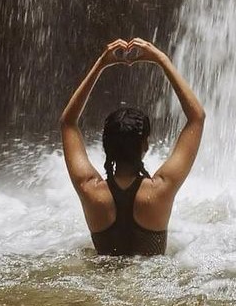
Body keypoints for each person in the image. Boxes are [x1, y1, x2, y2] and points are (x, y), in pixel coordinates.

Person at [60, 36, 205, 257]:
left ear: (106, 145)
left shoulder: (90, 190)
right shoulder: (160, 190)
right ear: (145, 144)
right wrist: (161, 59)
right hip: (152, 286)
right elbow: (197, 117)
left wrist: (101, 63)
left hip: (102, 286)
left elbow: (68, 123)